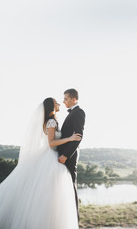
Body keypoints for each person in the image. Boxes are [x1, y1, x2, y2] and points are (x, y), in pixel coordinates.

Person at [0, 97, 82, 229]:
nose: (59, 103)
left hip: (49, 157)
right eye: (56, 103)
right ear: (51, 107)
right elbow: (51, 143)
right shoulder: (51, 122)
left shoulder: (49, 121)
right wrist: (69, 138)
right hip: (50, 157)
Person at [57, 88, 86, 222]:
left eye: (66, 99)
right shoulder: (72, 113)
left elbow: (78, 136)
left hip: (69, 155)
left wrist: (66, 155)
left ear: (74, 99)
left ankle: (74, 219)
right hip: (64, 154)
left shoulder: (79, 112)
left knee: (71, 184)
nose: (63, 102)